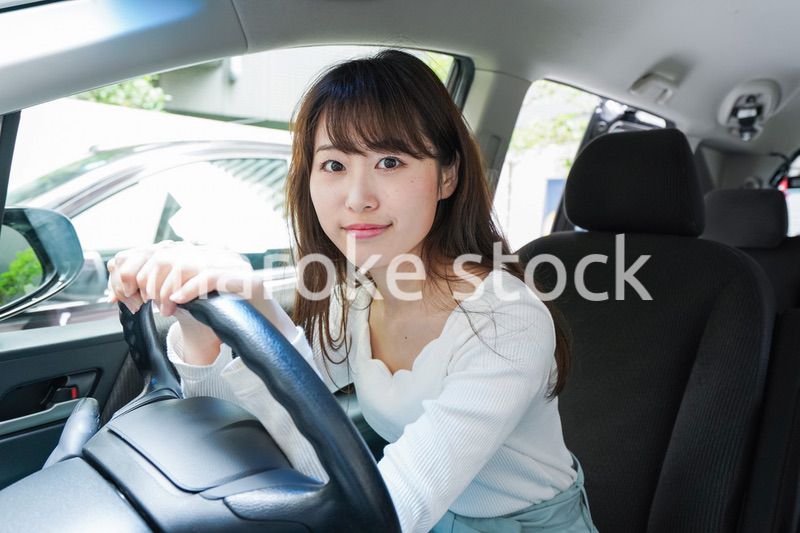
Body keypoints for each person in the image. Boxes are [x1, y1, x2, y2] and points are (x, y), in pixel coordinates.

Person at [106, 49, 597, 533]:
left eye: (389, 161)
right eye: (334, 165)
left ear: (446, 176)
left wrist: (256, 302)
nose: (358, 197)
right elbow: (277, 431)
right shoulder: (353, 292)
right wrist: (200, 326)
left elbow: (379, 513)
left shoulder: (507, 322)